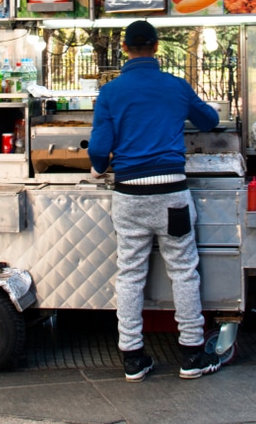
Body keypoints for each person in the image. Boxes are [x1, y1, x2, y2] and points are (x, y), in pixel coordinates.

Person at [88, 20, 221, 383]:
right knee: (183, 270)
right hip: (172, 198)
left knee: (130, 274)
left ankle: (133, 357)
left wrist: (100, 167)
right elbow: (210, 120)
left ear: (125, 47)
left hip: (130, 196)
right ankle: (192, 354)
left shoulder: (111, 93)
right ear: (156, 47)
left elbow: (99, 149)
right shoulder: (176, 86)